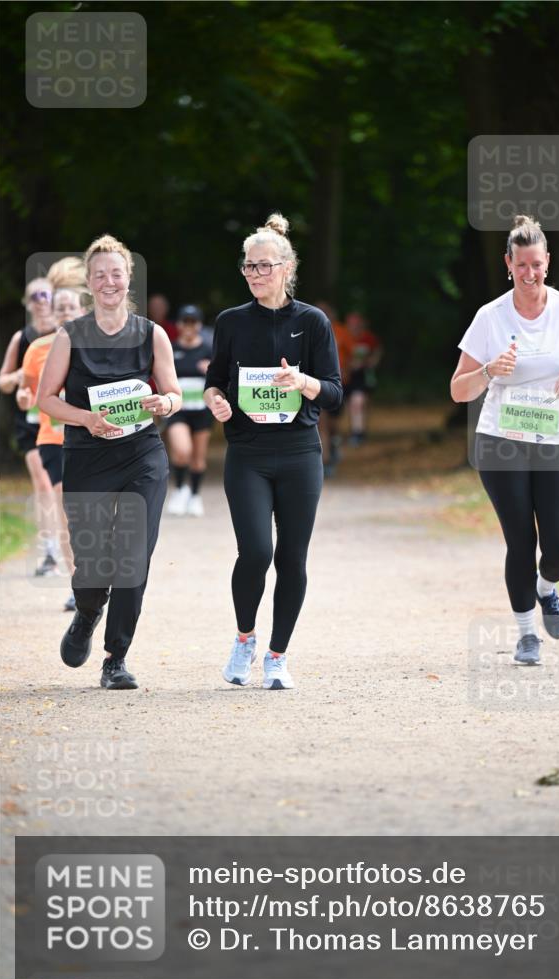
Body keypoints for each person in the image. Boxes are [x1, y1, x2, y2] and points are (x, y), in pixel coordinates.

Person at [450, 215, 559, 665]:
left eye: (537, 264)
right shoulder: (490, 317)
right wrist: (487, 371)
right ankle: (525, 635)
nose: (530, 273)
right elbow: (459, 390)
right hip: (502, 441)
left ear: (548, 262)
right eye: (521, 265)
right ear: (508, 264)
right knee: (520, 541)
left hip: (557, 441)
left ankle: (547, 588)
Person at [204, 213, 342, 690]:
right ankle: (245, 639)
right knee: (257, 550)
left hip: (301, 453)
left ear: (286, 268)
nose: (255, 275)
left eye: (264, 267)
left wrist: (303, 382)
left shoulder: (313, 322)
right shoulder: (231, 322)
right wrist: (216, 402)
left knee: (293, 559)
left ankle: (277, 656)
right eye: (248, 267)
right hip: (248, 453)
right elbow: (213, 383)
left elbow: (335, 391)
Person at [38, 234, 181, 690]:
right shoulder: (69, 336)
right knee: (95, 562)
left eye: (116, 273)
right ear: (89, 282)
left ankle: (115, 658)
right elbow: (46, 400)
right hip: (87, 455)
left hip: (142, 454)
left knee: (133, 555)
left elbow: (174, 392)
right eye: (99, 275)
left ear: (128, 278)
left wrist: (165, 404)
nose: (108, 281)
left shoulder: (152, 334)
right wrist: (86, 419)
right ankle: (87, 610)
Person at [17, 258, 89, 611]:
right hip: (53, 439)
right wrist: (23, 396)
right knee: (66, 510)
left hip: (95, 439)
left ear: (82, 310)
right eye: (58, 308)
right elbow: (30, 394)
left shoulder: (100, 346)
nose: (64, 313)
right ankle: (78, 585)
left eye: (70, 307)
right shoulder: (37, 350)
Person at [0, 277, 58, 575]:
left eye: (46, 295)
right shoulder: (22, 339)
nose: (41, 301)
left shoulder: (66, 335)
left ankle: (67, 545)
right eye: (35, 296)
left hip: (60, 421)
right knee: (44, 484)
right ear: (28, 303)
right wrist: (22, 375)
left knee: (62, 488)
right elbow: (3, 381)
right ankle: (49, 552)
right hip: (31, 422)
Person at [165, 304, 214, 516]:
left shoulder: (209, 350)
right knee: (182, 450)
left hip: (202, 410)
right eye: (185, 321)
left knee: (198, 457)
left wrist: (211, 371)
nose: (188, 326)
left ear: (199, 325)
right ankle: (179, 489)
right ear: (179, 324)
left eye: (193, 322)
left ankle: (194, 495)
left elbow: (222, 379)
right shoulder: (171, 349)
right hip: (178, 409)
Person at [316, 301, 352, 477]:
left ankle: (334, 444)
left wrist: (347, 372)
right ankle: (325, 459)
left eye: (325, 312)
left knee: (332, 423)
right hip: (314, 383)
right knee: (320, 419)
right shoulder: (306, 329)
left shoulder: (341, 331)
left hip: (337, 383)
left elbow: (354, 354)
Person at [344, 311, 382, 445]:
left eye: (357, 324)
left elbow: (377, 352)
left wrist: (370, 362)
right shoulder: (344, 337)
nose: (354, 327)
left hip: (363, 376)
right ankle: (355, 430)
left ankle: (358, 432)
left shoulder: (368, 338)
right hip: (346, 375)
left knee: (358, 402)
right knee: (351, 404)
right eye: (351, 324)